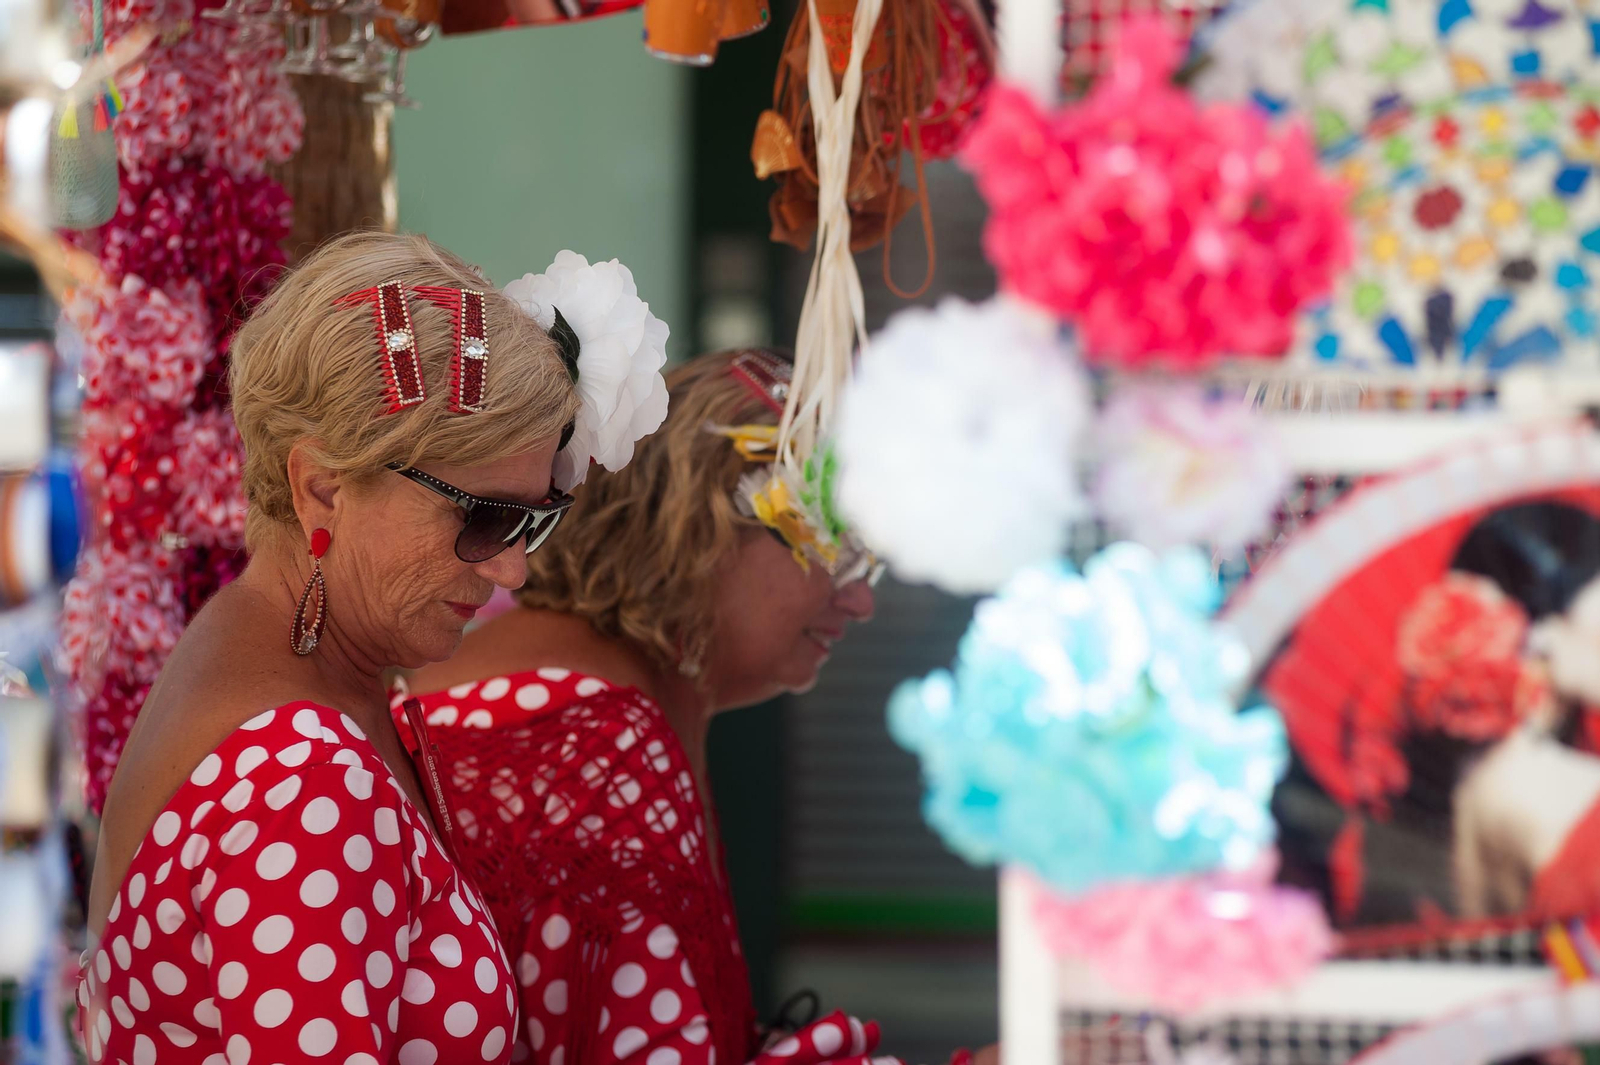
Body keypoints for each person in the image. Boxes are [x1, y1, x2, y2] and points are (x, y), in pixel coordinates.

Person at [79, 231, 587, 1065]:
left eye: (535, 517)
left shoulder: (255, 650)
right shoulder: (299, 772)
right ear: (322, 486)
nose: (513, 568)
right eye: (482, 516)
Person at [402, 349, 979, 1065]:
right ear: (697, 525)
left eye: (870, 563)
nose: (860, 599)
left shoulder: (576, 695)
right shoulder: (601, 740)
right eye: (837, 545)